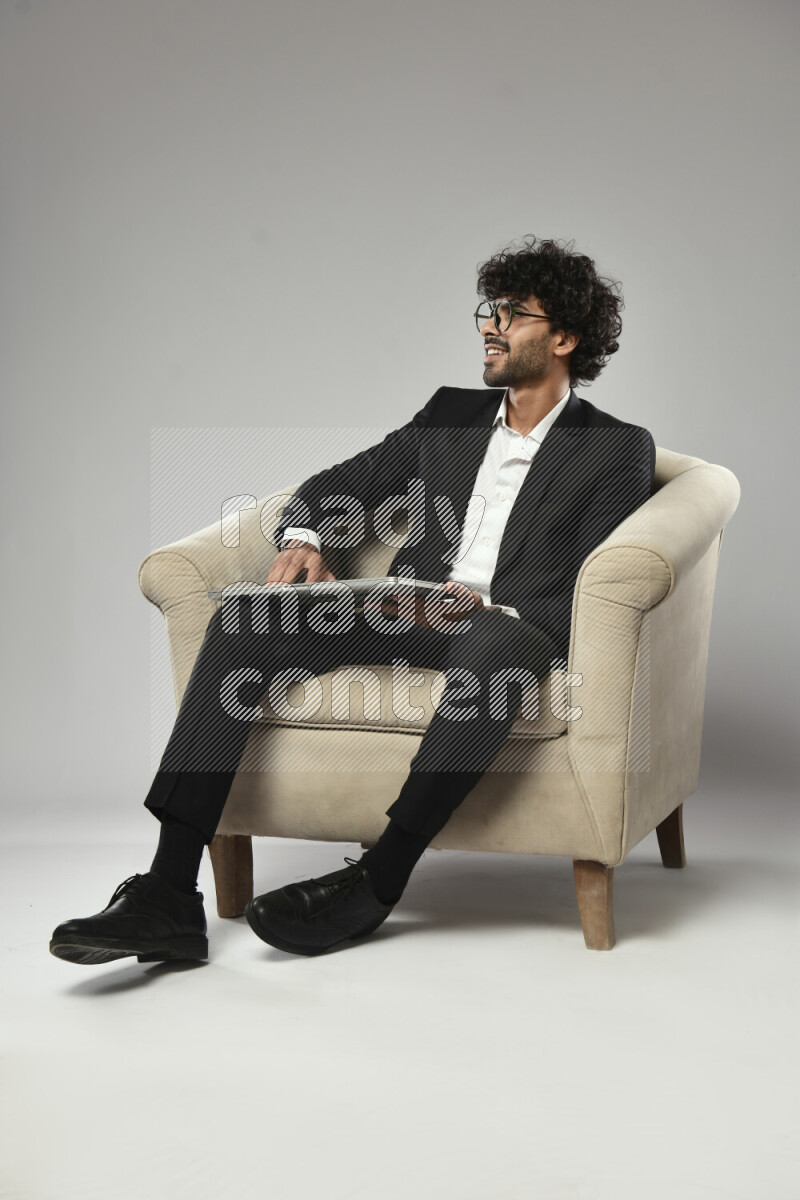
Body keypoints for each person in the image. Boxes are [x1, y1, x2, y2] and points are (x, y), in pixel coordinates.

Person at [50, 235, 655, 965]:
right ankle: (169, 891)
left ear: (564, 338)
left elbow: (590, 585)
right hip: (400, 605)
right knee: (244, 615)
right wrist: (305, 534)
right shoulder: (450, 414)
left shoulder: (616, 449)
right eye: (487, 311)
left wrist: (494, 614)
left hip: (503, 631)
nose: (489, 326)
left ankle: (378, 878)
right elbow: (350, 479)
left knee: (499, 647)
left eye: (513, 314)